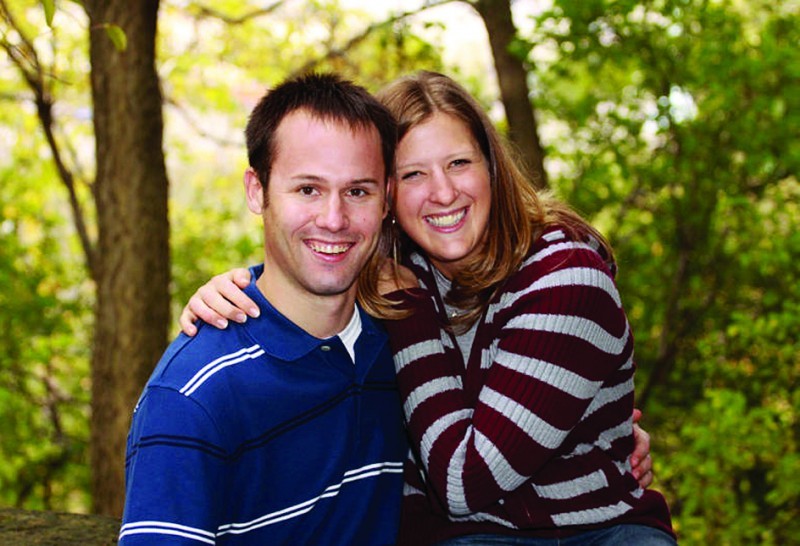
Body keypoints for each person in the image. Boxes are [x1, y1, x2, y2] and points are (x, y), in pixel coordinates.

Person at [181, 71, 674, 544]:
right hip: (464, 536)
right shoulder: (392, 269)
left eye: (459, 163)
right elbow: (309, 268)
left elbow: (464, 484)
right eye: (413, 173)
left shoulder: (563, 278)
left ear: (492, 166)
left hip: (596, 530)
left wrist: (410, 311)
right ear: (387, 195)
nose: (442, 192)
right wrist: (243, 288)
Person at [119, 73, 407, 545]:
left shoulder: (402, 336)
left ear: (386, 198)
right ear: (258, 191)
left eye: (358, 191)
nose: (334, 220)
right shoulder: (195, 395)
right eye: (307, 189)